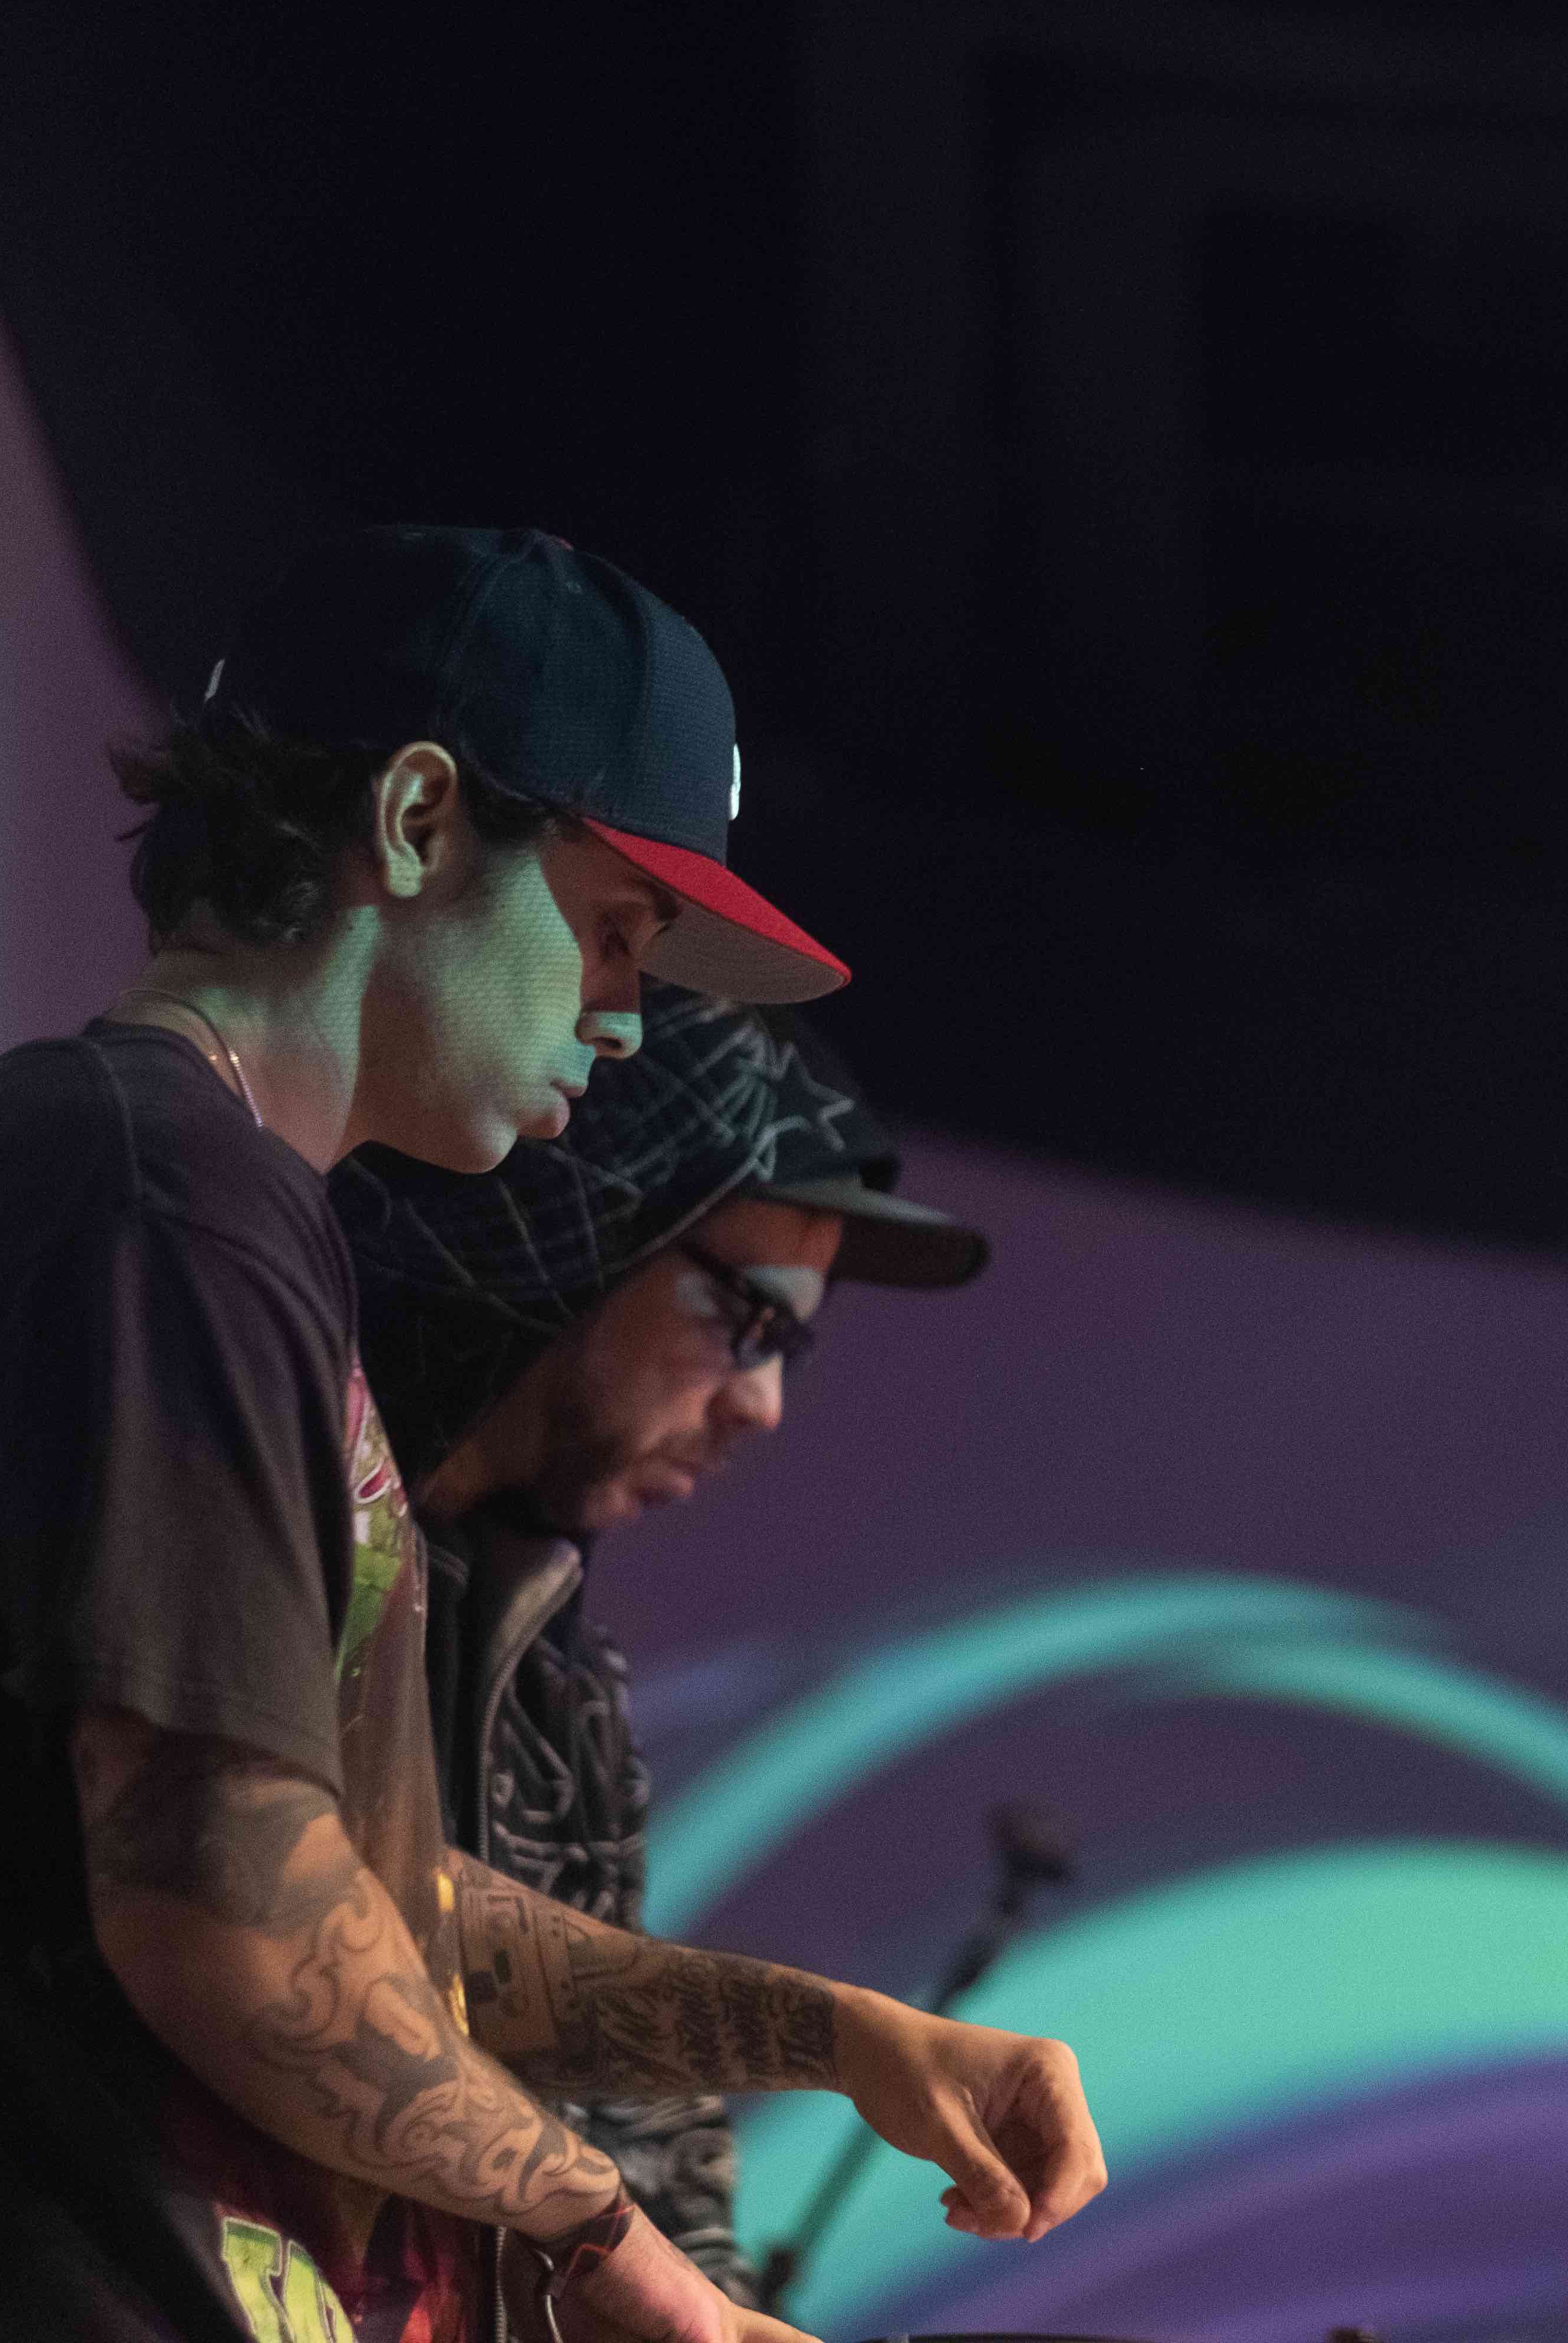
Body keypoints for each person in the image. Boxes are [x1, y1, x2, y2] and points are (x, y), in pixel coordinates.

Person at [0, 526, 1102, 2343]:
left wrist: (839, 2038)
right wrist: (638, 2273)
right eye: (613, 932)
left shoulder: (144, 1183)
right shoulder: (166, 1203)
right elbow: (231, 1912)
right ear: (417, 820)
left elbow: (345, 1898)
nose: (625, 1015)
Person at [331, 984, 991, 2307]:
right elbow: (294, 1935)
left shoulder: (560, 1678)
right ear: (581, 1224)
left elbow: (634, 2120)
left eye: (795, 1347)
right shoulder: (267, 1509)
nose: (765, 1404)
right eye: (748, 1321)